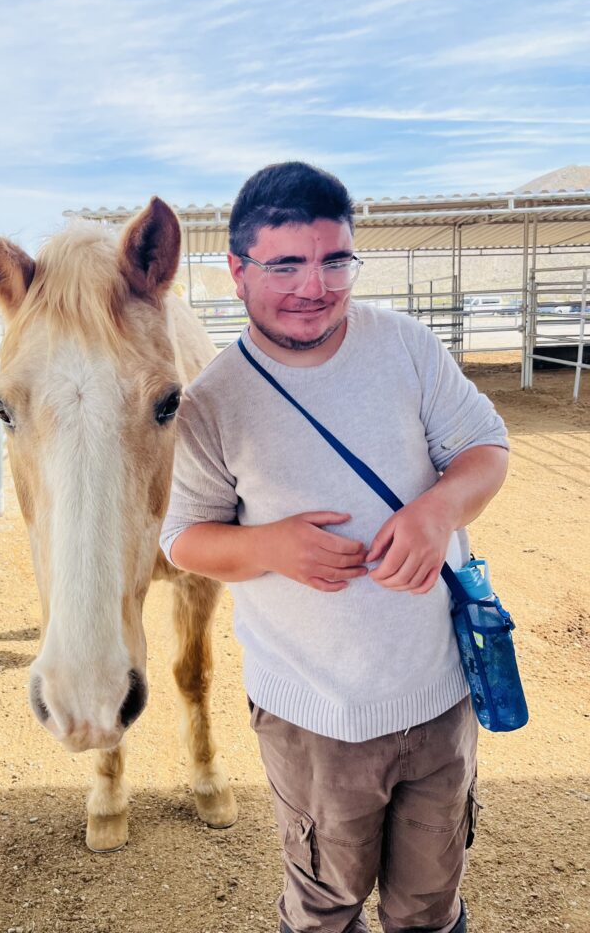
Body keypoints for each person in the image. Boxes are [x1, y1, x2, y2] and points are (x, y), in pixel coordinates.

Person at [159, 161, 509, 933]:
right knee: (325, 907)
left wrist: (438, 510)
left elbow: (485, 448)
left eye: (335, 261)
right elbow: (183, 539)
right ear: (238, 273)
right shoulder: (213, 403)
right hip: (314, 715)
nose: (314, 287)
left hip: (438, 692)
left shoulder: (406, 346)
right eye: (285, 264)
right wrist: (269, 547)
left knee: (430, 905)